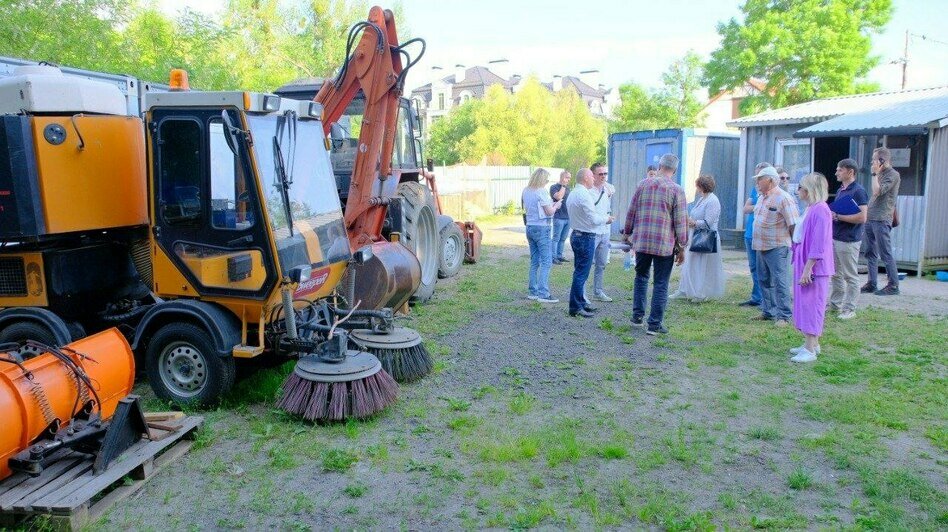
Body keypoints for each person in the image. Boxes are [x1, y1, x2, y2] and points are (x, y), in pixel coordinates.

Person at [623, 154, 688, 335]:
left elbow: (631, 211)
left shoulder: (642, 185)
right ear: (674, 170)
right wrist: (682, 245)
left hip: (642, 242)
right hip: (664, 244)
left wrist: (627, 232)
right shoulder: (677, 190)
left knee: (641, 277)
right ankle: (654, 324)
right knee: (661, 283)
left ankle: (637, 317)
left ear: (659, 166)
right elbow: (680, 221)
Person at [789, 172, 834, 362]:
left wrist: (808, 268)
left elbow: (818, 242)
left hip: (814, 266)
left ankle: (810, 348)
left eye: (800, 187)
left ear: (808, 190)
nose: (798, 191)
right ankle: (810, 342)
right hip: (803, 260)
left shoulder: (821, 210)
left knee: (812, 304)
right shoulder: (811, 208)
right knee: (803, 303)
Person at [752, 166, 798, 326]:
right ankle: (768, 311)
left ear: (770, 180)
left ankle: (784, 315)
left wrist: (795, 245)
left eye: (760, 179)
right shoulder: (761, 197)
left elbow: (793, 224)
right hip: (760, 246)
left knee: (780, 281)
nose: (757, 182)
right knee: (764, 280)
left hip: (777, 246)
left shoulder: (783, 198)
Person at [565, 168, 613, 318]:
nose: (594, 179)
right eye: (592, 176)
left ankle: (581, 303)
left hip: (577, 234)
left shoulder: (574, 193)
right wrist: (607, 219)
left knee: (580, 272)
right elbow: (593, 219)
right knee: (581, 274)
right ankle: (576, 307)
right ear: (586, 178)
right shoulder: (584, 194)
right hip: (585, 236)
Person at [670, 174, 725, 301]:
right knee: (689, 264)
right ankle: (684, 290)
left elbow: (708, 222)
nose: (696, 188)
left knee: (701, 266)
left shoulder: (713, 201)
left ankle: (699, 293)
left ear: (701, 186)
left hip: (705, 238)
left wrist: (693, 222)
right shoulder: (702, 199)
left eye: (697, 186)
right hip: (695, 236)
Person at [829, 158, 869, 320]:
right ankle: (835, 305)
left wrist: (838, 216)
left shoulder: (858, 191)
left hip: (849, 239)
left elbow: (862, 217)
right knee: (835, 274)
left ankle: (849, 309)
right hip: (836, 236)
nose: (836, 172)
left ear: (850, 172)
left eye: (840, 169)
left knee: (850, 276)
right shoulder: (841, 190)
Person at [863, 147, 901, 296]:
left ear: (882, 160)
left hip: (881, 218)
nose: (872, 162)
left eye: (874, 159)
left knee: (885, 253)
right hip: (870, 218)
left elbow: (877, 191)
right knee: (870, 252)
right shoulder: (881, 173)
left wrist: (874, 173)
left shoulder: (893, 175)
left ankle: (893, 285)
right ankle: (872, 283)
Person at [521, 168, 561, 303]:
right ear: (542, 179)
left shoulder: (526, 190)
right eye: (547, 179)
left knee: (534, 261)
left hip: (530, 226)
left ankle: (533, 291)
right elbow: (549, 212)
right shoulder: (541, 191)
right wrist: (556, 206)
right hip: (542, 227)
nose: (547, 182)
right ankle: (543, 293)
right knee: (546, 261)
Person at [738, 161, 772, 307]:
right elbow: (745, 208)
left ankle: (765, 299)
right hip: (750, 233)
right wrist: (757, 206)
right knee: (753, 267)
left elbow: (764, 208)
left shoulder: (771, 192)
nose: (757, 179)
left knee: (763, 268)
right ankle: (756, 297)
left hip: (763, 235)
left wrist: (756, 206)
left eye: (760, 175)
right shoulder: (755, 190)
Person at [588, 162, 615, 302]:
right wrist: (606, 219)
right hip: (592, 232)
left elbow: (613, 189)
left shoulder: (607, 188)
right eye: (600, 174)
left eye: (605, 173)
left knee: (602, 263)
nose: (604, 176)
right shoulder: (589, 192)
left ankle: (598, 291)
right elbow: (590, 215)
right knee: (586, 264)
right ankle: (581, 294)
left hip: (605, 231)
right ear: (593, 175)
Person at [549, 170, 572, 264]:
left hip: (568, 217)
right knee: (556, 238)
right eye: (567, 177)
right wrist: (562, 186)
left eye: (569, 178)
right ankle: (553, 257)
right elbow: (558, 197)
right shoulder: (554, 187)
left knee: (563, 238)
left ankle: (559, 255)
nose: (568, 180)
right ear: (562, 177)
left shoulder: (568, 188)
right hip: (558, 217)